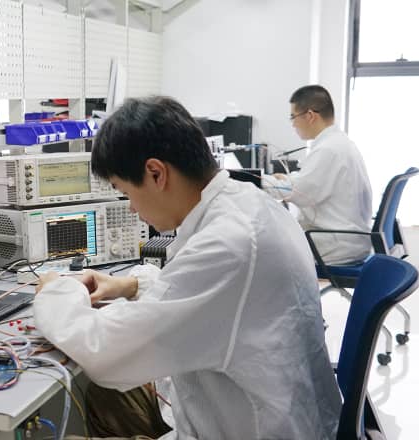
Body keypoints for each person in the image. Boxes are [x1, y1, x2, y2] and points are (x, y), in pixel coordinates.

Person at [34, 96, 341, 439]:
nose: (132, 208)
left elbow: (103, 352)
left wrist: (56, 291)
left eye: (126, 193)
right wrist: (131, 285)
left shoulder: (229, 245)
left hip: (255, 430)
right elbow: (205, 297)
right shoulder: (247, 203)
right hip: (274, 412)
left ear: (156, 173)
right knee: (111, 398)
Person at [263, 85, 373, 265]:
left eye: (293, 117)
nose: (293, 124)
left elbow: (300, 193)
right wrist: (289, 179)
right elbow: (312, 182)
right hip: (348, 239)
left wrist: (256, 181)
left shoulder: (328, 149)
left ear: (310, 116)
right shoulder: (339, 143)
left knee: (262, 248)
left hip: (335, 245)